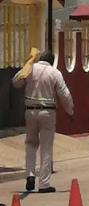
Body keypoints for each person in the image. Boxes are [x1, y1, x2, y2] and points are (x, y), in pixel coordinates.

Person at [13, 47, 74, 194]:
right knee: (46, 147)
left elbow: (16, 82)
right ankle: (44, 184)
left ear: (40, 59)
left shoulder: (30, 69)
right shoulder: (55, 73)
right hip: (48, 112)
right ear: (52, 62)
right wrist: (70, 111)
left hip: (30, 111)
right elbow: (64, 94)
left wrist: (29, 63)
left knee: (30, 144)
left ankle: (30, 175)